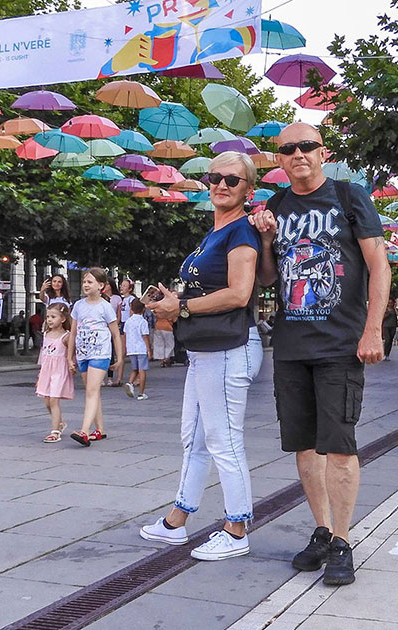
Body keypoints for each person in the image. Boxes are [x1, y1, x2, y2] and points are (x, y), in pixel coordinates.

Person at [250, 123, 390, 586]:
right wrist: (266, 240)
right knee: (304, 445)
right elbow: (267, 278)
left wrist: (373, 329)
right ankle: (323, 531)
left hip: (339, 346)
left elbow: (379, 265)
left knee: (340, 445)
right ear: (280, 160)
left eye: (307, 146)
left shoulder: (349, 197)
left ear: (322, 153)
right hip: (291, 347)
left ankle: (344, 541)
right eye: (288, 149)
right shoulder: (275, 206)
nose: (298, 154)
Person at [142, 151, 264, 561]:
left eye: (232, 180)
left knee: (223, 440)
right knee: (193, 438)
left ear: (248, 190)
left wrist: (182, 307)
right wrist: (171, 299)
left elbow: (239, 294)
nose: (221, 185)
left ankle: (236, 528)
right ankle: (176, 520)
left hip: (228, 347)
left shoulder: (241, 232)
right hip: (205, 348)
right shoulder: (214, 232)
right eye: (215, 178)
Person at [69, 267, 125, 446]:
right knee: (92, 391)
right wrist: (70, 357)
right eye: (84, 281)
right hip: (83, 354)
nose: (86, 285)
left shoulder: (105, 307)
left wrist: (120, 358)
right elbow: (73, 333)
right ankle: (100, 429)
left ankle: (84, 431)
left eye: (90, 282)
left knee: (92, 391)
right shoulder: (78, 306)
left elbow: (115, 334)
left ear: (101, 285)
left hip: (100, 354)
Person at [36, 303, 76, 442]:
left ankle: (55, 432)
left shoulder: (66, 336)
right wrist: (40, 372)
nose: (49, 320)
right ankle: (60, 422)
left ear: (63, 319)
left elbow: (72, 353)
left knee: (54, 400)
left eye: (53, 317)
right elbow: (43, 354)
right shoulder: (46, 334)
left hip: (59, 371)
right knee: (47, 401)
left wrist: (72, 363)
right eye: (48, 317)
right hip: (46, 371)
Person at [123, 298, 151, 400]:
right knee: (142, 370)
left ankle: (130, 383)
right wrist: (149, 349)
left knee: (135, 369)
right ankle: (141, 393)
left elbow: (125, 335)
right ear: (143, 309)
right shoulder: (142, 321)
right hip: (141, 348)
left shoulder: (128, 321)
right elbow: (145, 336)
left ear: (131, 308)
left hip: (131, 348)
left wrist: (125, 347)